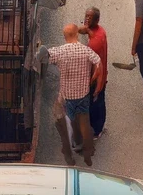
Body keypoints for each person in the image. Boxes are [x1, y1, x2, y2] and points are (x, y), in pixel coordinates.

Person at [41, 23, 101, 167]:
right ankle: (87, 151)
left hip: (68, 96)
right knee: (84, 121)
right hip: (83, 93)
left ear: (64, 36)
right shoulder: (85, 50)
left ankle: (72, 150)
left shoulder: (60, 51)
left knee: (69, 122)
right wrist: (93, 77)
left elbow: (46, 55)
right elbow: (98, 62)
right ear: (77, 34)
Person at [82, 7, 109, 138]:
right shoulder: (99, 30)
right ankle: (97, 127)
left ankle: (96, 131)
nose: (86, 19)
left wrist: (91, 83)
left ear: (96, 20)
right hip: (101, 76)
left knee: (95, 105)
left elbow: (96, 68)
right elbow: (82, 29)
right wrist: (86, 28)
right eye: (86, 16)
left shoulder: (94, 43)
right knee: (98, 103)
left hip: (96, 79)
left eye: (90, 17)